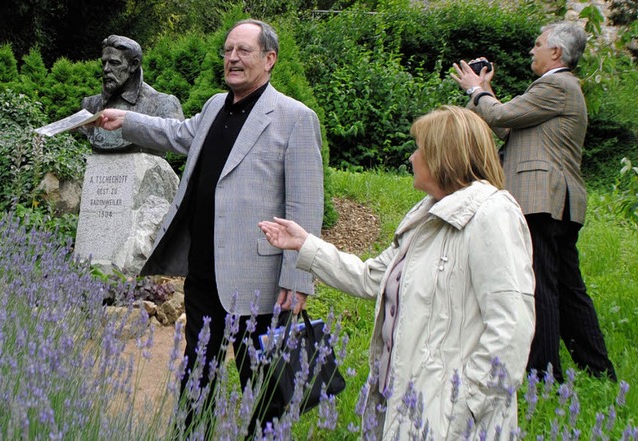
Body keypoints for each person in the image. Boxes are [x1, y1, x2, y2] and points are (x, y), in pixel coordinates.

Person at [93, 19, 324, 433]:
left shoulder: (294, 117)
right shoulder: (218, 105)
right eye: (228, 50)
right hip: (203, 273)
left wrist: (299, 275)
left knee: (264, 386)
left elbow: (305, 204)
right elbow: (176, 132)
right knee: (197, 374)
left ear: (270, 59)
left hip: (259, 280)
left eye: (244, 51)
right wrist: (123, 120)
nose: (232, 58)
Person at [259, 105, 535, 440]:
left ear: (443, 156)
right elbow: (370, 277)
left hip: (448, 420)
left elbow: (512, 330)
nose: (411, 158)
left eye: (419, 148)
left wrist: (463, 408)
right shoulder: (427, 215)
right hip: (401, 407)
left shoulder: (492, 215)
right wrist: (305, 245)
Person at [451, 20, 617, 384]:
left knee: (540, 283)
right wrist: (486, 90)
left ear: (556, 52)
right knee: (568, 288)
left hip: (542, 199)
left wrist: (477, 90)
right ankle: (598, 370)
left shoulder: (557, 84)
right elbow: (508, 126)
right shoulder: (557, 89)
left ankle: (543, 374)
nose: (532, 50)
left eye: (538, 44)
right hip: (556, 201)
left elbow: (499, 114)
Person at [81, 35, 184, 154]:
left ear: (133, 65)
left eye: (114, 63)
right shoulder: (90, 106)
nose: (106, 69)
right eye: (104, 63)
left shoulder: (163, 104)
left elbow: (179, 138)